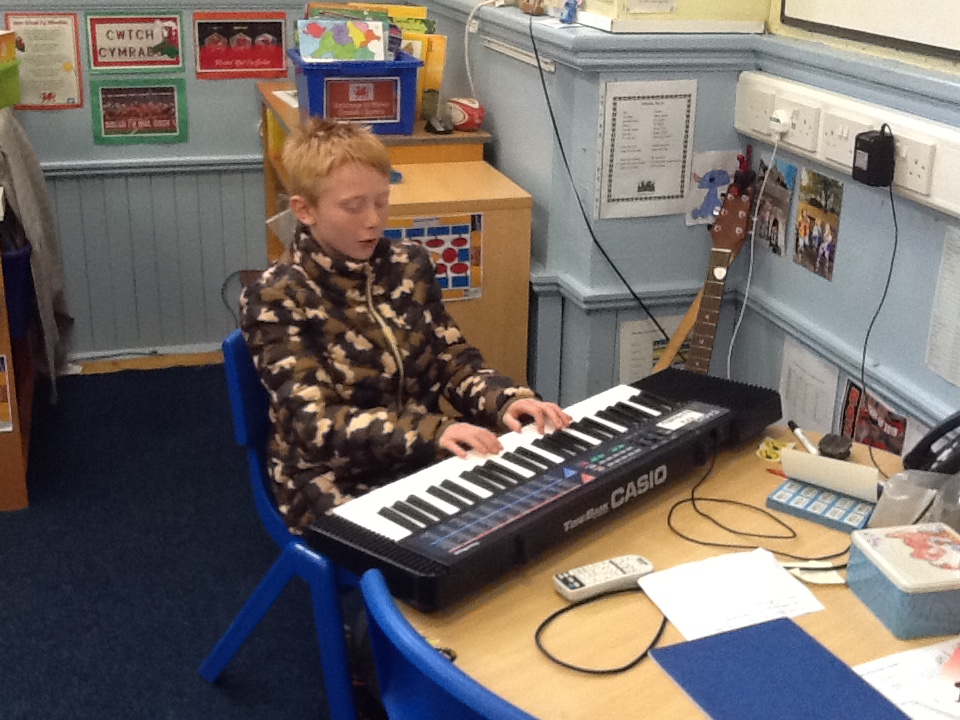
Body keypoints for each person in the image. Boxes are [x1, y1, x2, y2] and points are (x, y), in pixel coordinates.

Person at [239, 118, 571, 533]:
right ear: (305, 210)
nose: (373, 220)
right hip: (331, 478)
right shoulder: (276, 296)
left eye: (382, 200)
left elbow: (451, 359)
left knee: (536, 511)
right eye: (353, 205)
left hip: (421, 454)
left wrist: (504, 400)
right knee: (452, 555)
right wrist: (435, 431)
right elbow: (313, 422)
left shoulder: (408, 264)